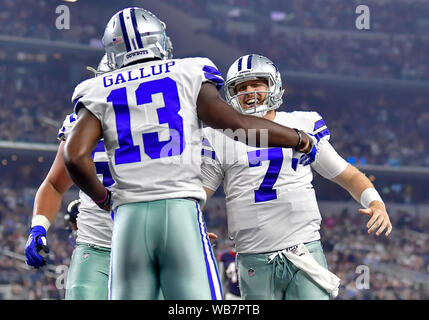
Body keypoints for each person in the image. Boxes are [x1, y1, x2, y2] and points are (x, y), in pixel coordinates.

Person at [63, 7, 318, 300]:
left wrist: (103, 198)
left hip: (127, 218)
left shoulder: (97, 89)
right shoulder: (188, 71)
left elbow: (74, 156)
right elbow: (239, 126)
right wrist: (299, 139)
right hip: (179, 210)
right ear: (159, 40)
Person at [201, 54, 393, 300]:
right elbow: (199, 192)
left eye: (256, 84)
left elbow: (347, 175)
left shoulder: (303, 123)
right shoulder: (218, 136)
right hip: (253, 259)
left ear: (273, 85)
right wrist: (193, 221)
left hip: (304, 251)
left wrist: (375, 202)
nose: (249, 91)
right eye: (242, 87)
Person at [24, 55, 116, 300]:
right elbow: (54, 184)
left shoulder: (167, 116)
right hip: (97, 247)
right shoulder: (80, 121)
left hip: (151, 247)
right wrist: (38, 227)